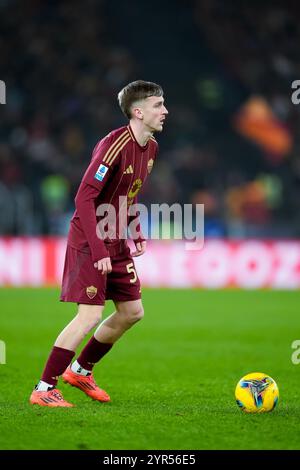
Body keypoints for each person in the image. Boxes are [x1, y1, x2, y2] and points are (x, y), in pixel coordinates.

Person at [30, 80, 168, 407]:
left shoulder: (151, 148)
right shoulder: (114, 145)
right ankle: (43, 388)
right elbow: (84, 197)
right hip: (90, 238)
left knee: (132, 312)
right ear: (138, 112)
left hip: (116, 238)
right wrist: (99, 247)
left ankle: (80, 370)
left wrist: (134, 229)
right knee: (89, 316)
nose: (165, 111)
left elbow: (128, 193)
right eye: (158, 105)